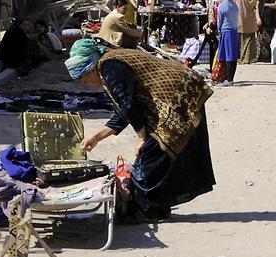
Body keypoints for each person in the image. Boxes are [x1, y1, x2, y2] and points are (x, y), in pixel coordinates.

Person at [66, 39, 215, 223]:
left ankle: (146, 211)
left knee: (151, 156)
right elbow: (123, 112)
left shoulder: (109, 66)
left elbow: (129, 105)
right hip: (178, 94)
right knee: (157, 154)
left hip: (179, 96)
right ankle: (157, 208)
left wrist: (142, 138)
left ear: (91, 68)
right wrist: (96, 137)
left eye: (83, 77)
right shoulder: (108, 66)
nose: (84, 83)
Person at [216, 0, 240, 86]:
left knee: (228, 56)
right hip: (234, 31)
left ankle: (229, 79)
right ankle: (231, 78)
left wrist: (218, 30)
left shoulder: (221, 6)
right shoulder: (234, 6)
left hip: (226, 32)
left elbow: (219, 21)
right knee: (233, 56)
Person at [236, 0, 260, 64]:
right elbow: (255, 5)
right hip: (250, 20)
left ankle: (240, 58)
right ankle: (248, 58)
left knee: (240, 41)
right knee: (250, 40)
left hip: (239, 20)